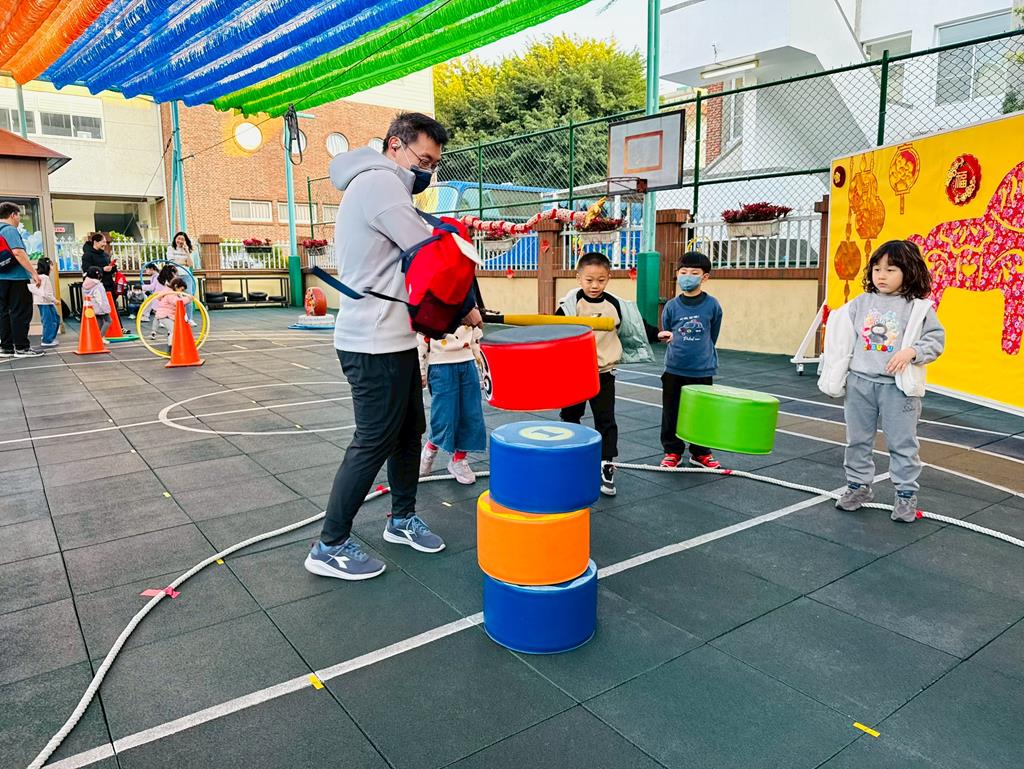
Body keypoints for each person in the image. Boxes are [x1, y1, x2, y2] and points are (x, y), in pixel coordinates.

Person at [304, 111, 481, 582]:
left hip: (394, 338)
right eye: (423, 160)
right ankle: (329, 545)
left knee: (407, 433)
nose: (428, 172)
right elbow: (430, 254)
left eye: (434, 164)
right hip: (372, 340)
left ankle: (401, 519)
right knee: (373, 440)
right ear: (395, 145)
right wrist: (466, 306)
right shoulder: (379, 183)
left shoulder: (389, 187)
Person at [817, 240, 945, 522]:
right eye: (877, 269)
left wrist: (912, 352)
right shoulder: (861, 303)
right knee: (857, 440)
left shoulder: (918, 308)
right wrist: (834, 372)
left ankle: (905, 495)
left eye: (890, 269)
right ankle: (858, 487)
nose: (882, 276)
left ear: (909, 272)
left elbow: (935, 341)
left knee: (902, 443)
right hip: (860, 384)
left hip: (897, 389)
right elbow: (841, 334)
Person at [556, 251, 654, 496]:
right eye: (589, 280)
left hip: (604, 373)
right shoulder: (569, 305)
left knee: (606, 420)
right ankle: (571, 458)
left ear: (608, 278)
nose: (594, 285)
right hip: (574, 373)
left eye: (601, 280)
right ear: (578, 278)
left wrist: (657, 333)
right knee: (570, 416)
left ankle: (606, 464)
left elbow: (636, 326)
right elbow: (554, 331)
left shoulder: (615, 305)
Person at [658, 251, 723, 470]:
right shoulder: (671, 306)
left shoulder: (712, 305)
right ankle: (672, 451)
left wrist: (702, 354)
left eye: (694, 273)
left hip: (702, 370)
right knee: (671, 412)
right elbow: (667, 329)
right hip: (674, 369)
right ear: (677, 274)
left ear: (705, 277)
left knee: (701, 413)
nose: (687, 277)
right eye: (683, 272)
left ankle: (700, 452)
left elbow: (712, 335)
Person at [418, 324, 486, 484]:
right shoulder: (430, 308)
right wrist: (421, 370)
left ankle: (459, 459)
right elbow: (422, 338)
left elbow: (476, 337)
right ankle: (430, 450)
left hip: (467, 361)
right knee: (444, 415)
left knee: (472, 414)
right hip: (440, 364)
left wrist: (483, 367)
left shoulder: (468, 307)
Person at [0, 201, 43, 358]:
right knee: (20, 312)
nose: (19, 220)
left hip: (1, 279)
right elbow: (18, 253)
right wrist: (34, 273)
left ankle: (6, 347)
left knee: (3, 313)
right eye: (19, 216)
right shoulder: (9, 230)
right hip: (16, 278)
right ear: (13, 215)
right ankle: (22, 348)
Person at [153, 277, 194, 349]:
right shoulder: (171, 294)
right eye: (181, 289)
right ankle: (171, 347)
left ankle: (174, 345)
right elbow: (178, 302)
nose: (182, 292)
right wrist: (188, 298)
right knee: (174, 330)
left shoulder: (171, 293)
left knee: (174, 330)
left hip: (168, 315)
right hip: (165, 316)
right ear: (176, 286)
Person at [29, 257, 60, 347]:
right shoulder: (45, 278)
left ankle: (48, 338)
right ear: (47, 265)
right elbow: (46, 293)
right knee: (50, 321)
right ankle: (47, 340)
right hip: (45, 302)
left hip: (45, 302)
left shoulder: (40, 277)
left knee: (53, 319)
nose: (52, 266)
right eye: (51, 264)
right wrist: (55, 300)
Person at [82, 266, 112, 338]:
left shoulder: (85, 284)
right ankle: (100, 337)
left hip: (92, 307)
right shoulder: (98, 285)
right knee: (108, 321)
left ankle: (97, 337)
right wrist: (105, 308)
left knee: (99, 321)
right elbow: (100, 298)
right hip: (100, 307)